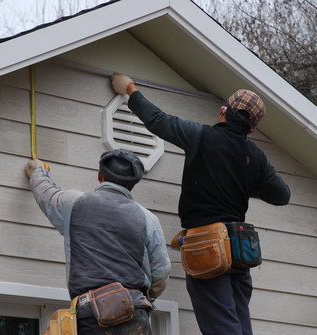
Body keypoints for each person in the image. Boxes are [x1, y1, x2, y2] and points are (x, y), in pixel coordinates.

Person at [111, 73, 291, 335]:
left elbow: (158, 121)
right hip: (240, 249)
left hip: (208, 245)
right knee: (239, 321)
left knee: (221, 325)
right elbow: (281, 195)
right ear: (251, 128)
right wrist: (242, 182)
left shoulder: (202, 136)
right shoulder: (256, 157)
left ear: (223, 111)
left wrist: (130, 89)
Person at [25, 148, 171, 335]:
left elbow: (47, 195)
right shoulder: (147, 218)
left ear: (100, 175)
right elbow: (161, 271)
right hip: (135, 311)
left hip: (93, 314)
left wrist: (37, 170)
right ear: (132, 186)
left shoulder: (75, 204)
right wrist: (144, 298)